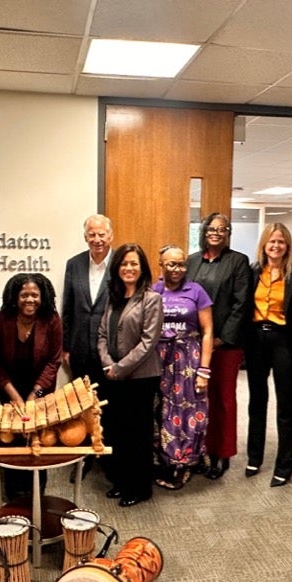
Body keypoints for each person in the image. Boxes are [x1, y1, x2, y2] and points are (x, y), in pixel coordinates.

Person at [245, 222, 292, 487]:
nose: (276, 246)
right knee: (256, 401)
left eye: (281, 242)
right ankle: (254, 457)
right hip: (256, 340)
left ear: (287, 246)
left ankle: (284, 466)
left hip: (285, 340)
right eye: (272, 241)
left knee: (286, 405)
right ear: (264, 244)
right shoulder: (252, 271)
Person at [0, 273, 62, 501]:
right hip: (8, 386)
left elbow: (54, 361)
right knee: (13, 437)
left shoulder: (52, 319)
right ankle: (14, 492)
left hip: (40, 388)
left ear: (43, 296)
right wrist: (15, 396)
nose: (30, 299)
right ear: (15, 297)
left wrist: (34, 394)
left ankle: (37, 489)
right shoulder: (0, 320)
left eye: (35, 295)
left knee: (37, 436)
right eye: (24, 295)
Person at [97, 243, 163, 507]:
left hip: (140, 378)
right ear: (117, 268)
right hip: (112, 375)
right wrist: (107, 364)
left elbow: (148, 343)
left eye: (134, 263)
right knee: (117, 431)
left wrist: (120, 368)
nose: (129, 268)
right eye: (124, 263)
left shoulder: (151, 299)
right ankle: (122, 482)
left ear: (142, 268)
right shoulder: (113, 298)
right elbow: (102, 335)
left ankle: (139, 487)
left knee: (138, 434)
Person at [186, 213, 250, 479]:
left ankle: (221, 454)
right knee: (197, 400)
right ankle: (198, 451)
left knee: (223, 401)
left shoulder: (238, 262)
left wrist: (221, 338)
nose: (216, 232)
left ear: (228, 233)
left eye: (222, 229)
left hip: (224, 345)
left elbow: (241, 304)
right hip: (193, 344)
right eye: (211, 228)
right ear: (204, 232)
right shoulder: (191, 261)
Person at [152, 245, 213, 490]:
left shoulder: (196, 291)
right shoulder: (153, 289)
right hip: (158, 358)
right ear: (161, 265)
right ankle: (163, 460)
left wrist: (204, 371)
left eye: (181, 264)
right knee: (162, 410)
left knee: (187, 412)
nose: (177, 269)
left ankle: (184, 463)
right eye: (171, 264)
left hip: (188, 357)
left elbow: (208, 332)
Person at [62, 214, 113, 482]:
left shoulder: (120, 263)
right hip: (80, 347)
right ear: (85, 237)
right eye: (92, 234)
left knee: (109, 403)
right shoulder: (74, 264)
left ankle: (106, 455)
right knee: (82, 406)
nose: (97, 239)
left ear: (110, 236)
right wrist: (65, 346)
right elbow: (67, 309)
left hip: (111, 350)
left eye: (101, 234)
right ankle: (82, 457)